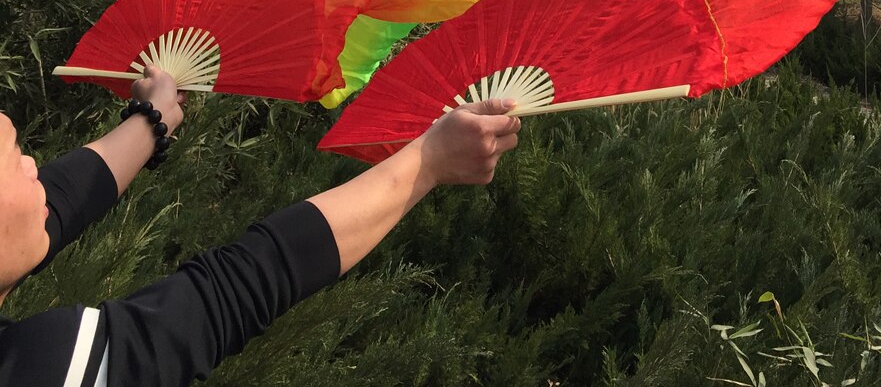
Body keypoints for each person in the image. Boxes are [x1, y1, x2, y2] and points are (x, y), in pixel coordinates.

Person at [0, 67, 521, 386]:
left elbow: (57, 201)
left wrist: (153, 118)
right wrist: (428, 161)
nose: (33, 167)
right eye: (13, 159)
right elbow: (233, 291)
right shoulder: (41, 369)